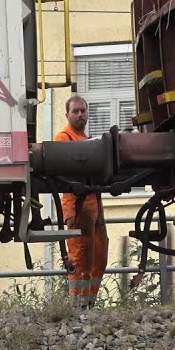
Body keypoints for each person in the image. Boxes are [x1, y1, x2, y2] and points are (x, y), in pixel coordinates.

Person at [54, 94, 109, 308]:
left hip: (94, 209)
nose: (79, 114)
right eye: (75, 111)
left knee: (98, 258)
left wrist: (101, 215)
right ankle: (78, 306)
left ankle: (89, 303)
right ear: (67, 114)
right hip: (77, 210)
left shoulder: (87, 141)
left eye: (83, 111)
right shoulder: (63, 138)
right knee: (79, 258)